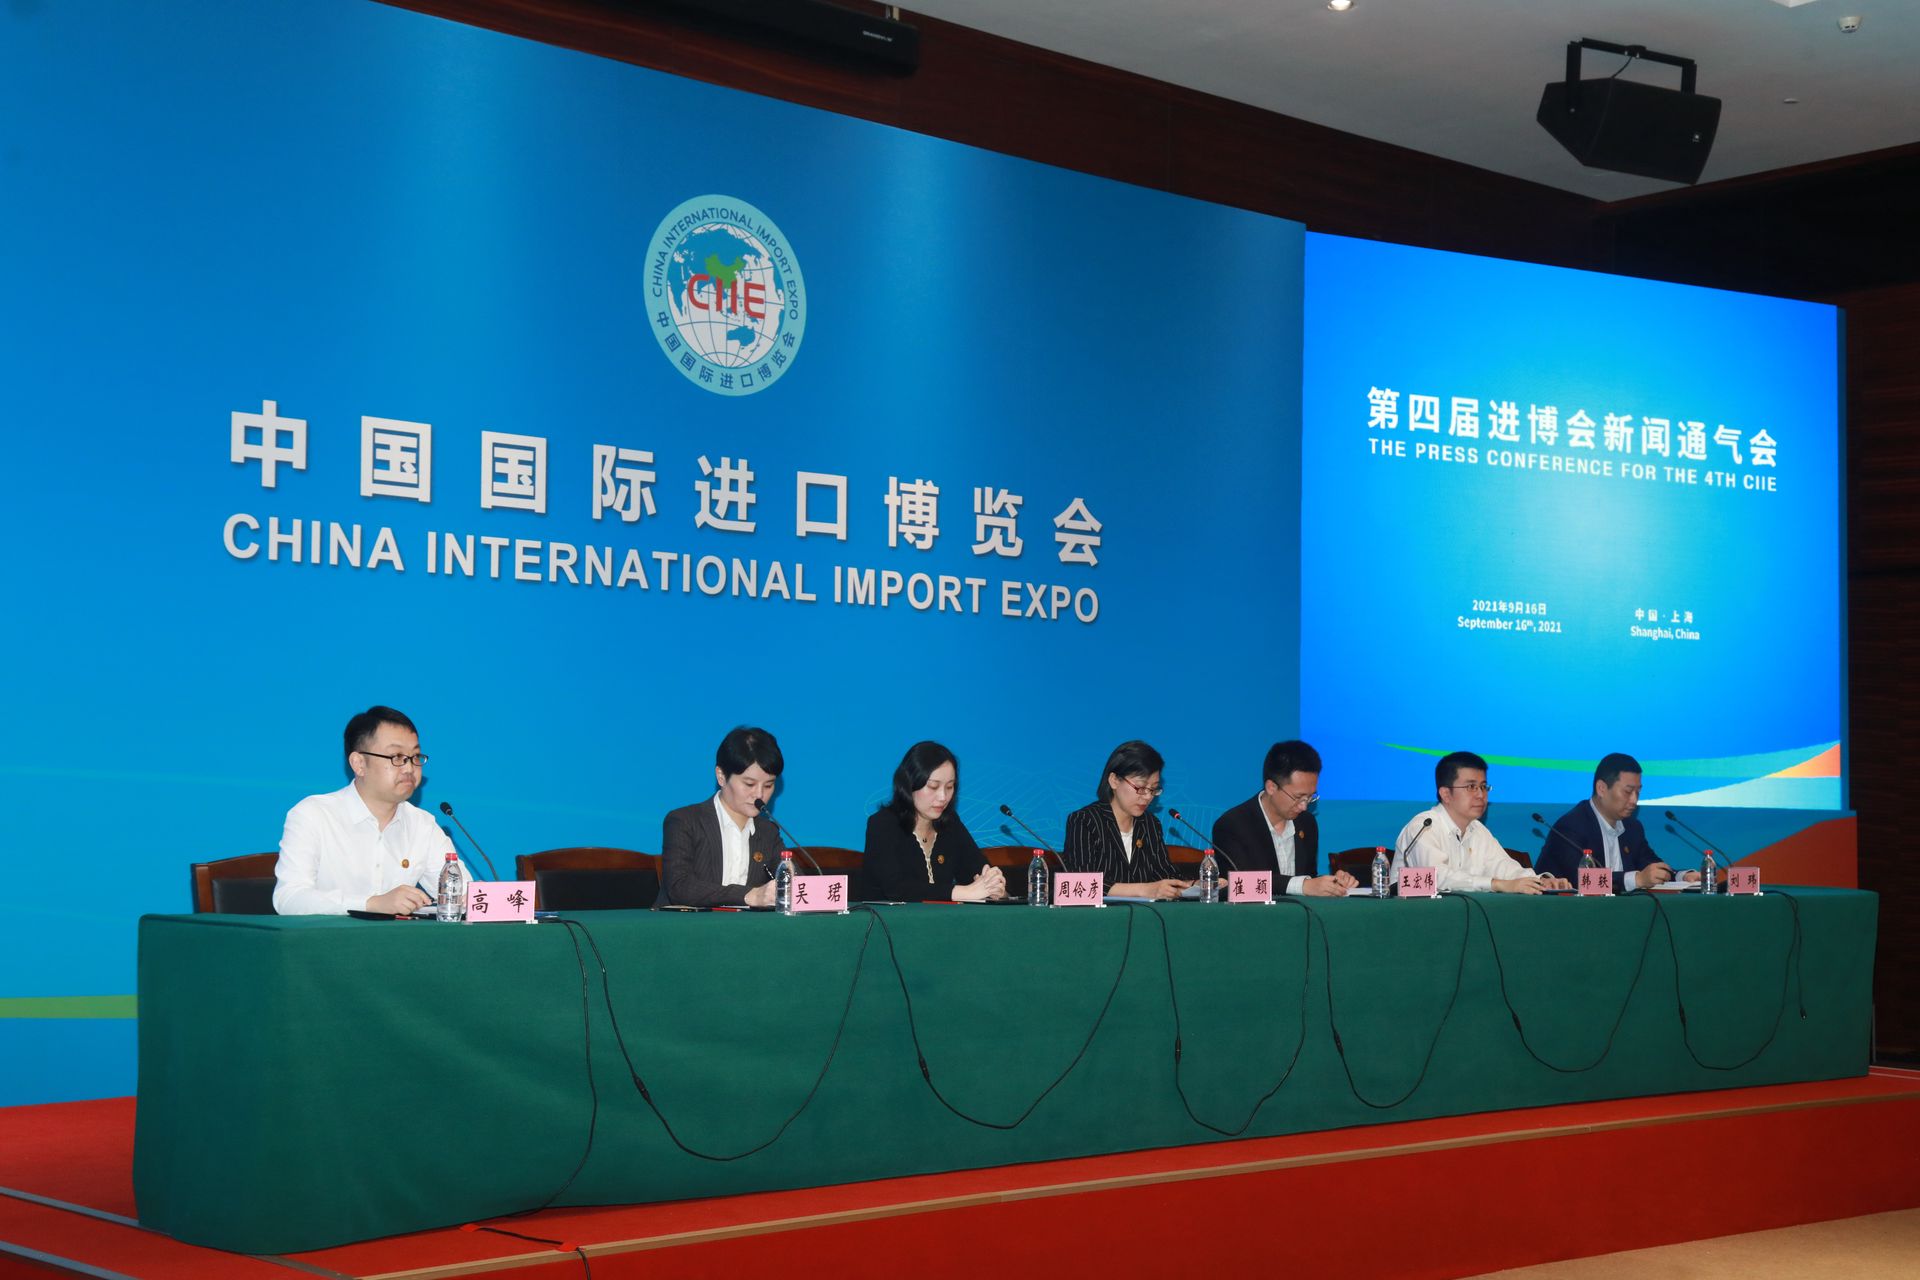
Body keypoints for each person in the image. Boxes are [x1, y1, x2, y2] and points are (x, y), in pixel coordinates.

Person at [273, 706, 456, 915]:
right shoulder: (313, 815)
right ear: (359, 764)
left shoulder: (422, 825)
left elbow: (460, 896)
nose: (409, 768)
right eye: (397, 757)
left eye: (415, 756)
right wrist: (371, 904)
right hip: (324, 936)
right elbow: (289, 899)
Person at [1392, 751, 1571, 894]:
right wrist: (1496, 884)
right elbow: (1436, 877)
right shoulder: (1423, 827)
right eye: (1471, 787)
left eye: (1484, 787)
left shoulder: (1477, 830)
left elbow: (1504, 867)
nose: (1480, 795)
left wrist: (1540, 882)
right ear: (1445, 794)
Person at [860, 742, 1006, 902]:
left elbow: (976, 871)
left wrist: (995, 887)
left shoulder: (950, 823)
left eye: (949, 787)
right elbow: (896, 889)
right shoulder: (882, 824)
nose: (943, 797)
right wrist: (962, 892)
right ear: (909, 784)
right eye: (933, 787)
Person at [1210, 739, 1355, 896]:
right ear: (1271, 787)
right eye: (1298, 797)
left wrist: (1332, 883)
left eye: (1310, 797)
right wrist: (1303, 886)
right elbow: (1238, 884)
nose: (1304, 806)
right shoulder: (1232, 825)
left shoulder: (1307, 823)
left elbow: (1308, 878)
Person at [660, 726, 785, 908]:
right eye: (749, 784)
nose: (759, 794)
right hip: (685, 924)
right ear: (721, 776)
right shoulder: (685, 821)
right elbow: (679, 887)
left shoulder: (768, 832)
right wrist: (749, 895)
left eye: (768, 785)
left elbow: (796, 886)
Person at [1538, 752, 1701, 891]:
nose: (1634, 800)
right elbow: (1582, 880)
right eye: (1628, 792)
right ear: (1601, 788)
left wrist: (1682, 876)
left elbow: (1650, 865)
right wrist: (1636, 880)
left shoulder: (1632, 828)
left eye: (1638, 792)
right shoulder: (1571, 826)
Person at [1063, 740, 1190, 900]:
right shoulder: (1085, 820)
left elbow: (1165, 874)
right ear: (1114, 781)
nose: (1148, 796)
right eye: (1141, 787)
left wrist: (1197, 885)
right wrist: (1145, 890)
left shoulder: (1150, 824)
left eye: (1153, 789)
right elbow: (1080, 883)